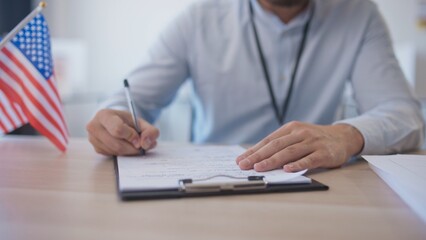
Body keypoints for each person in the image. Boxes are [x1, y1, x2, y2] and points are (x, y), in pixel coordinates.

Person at [86, 0, 424, 172]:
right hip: (210, 189)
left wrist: (346, 134)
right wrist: (114, 120)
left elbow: (404, 115)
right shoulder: (200, 18)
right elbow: (133, 100)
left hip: (319, 187)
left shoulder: (358, 14)